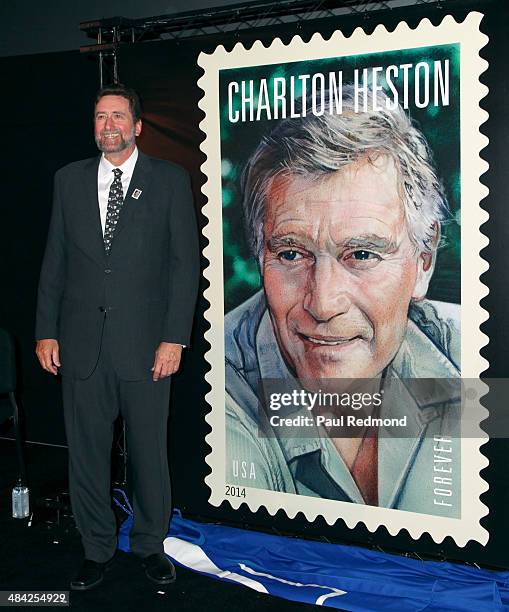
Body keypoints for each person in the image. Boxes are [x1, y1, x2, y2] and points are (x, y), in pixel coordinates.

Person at [225, 85, 461, 515]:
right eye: (292, 253)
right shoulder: (218, 384)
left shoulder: (474, 355)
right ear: (261, 257)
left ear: (423, 261)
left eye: (363, 255)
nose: (323, 303)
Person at [35, 84, 199, 589]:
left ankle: (150, 545)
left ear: (138, 126)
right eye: (101, 117)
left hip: (148, 347)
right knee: (86, 454)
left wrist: (174, 338)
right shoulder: (69, 180)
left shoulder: (169, 180)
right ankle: (97, 548)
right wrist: (45, 330)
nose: (109, 125)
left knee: (150, 453)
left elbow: (184, 266)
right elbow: (55, 260)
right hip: (80, 344)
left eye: (118, 117)